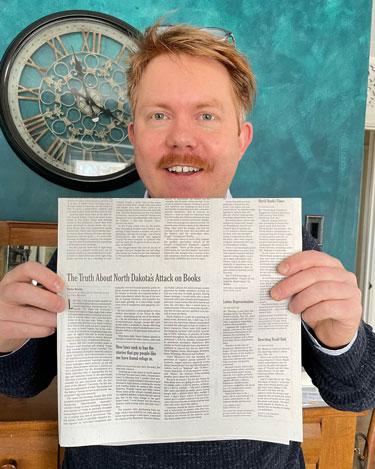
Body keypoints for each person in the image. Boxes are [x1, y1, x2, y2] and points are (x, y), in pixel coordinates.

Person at [0, 19, 374, 469]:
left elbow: (356, 394)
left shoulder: (285, 246)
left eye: (206, 115)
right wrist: (7, 338)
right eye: (159, 115)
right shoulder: (89, 245)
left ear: (241, 140)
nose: (181, 137)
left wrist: (343, 339)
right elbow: (22, 384)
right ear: (135, 137)